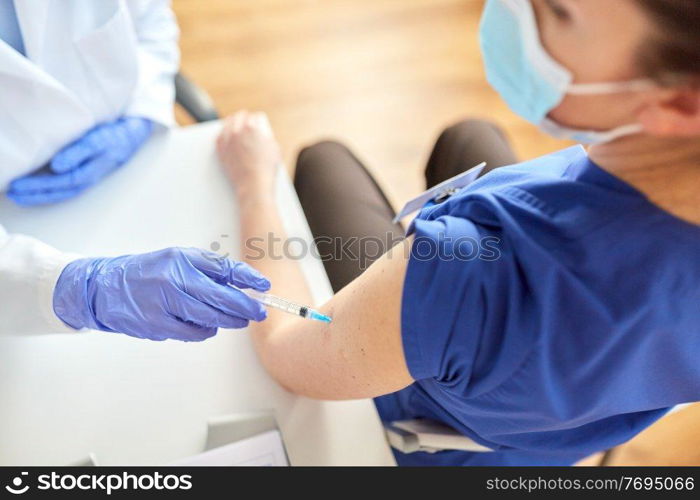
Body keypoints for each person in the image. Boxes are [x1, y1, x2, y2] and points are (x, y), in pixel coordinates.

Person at [215, 0, 700, 466]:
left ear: (679, 101)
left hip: (432, 440)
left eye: (558, 10)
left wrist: (255, 183)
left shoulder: (472, 269)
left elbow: (286, 353)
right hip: (555, 437)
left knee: (324, 160)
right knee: (470, 137)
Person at [0, 1, 268, 340]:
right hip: (18, 220)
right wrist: (80, 288)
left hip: (143, 162)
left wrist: (142, 113)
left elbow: (153, 20)